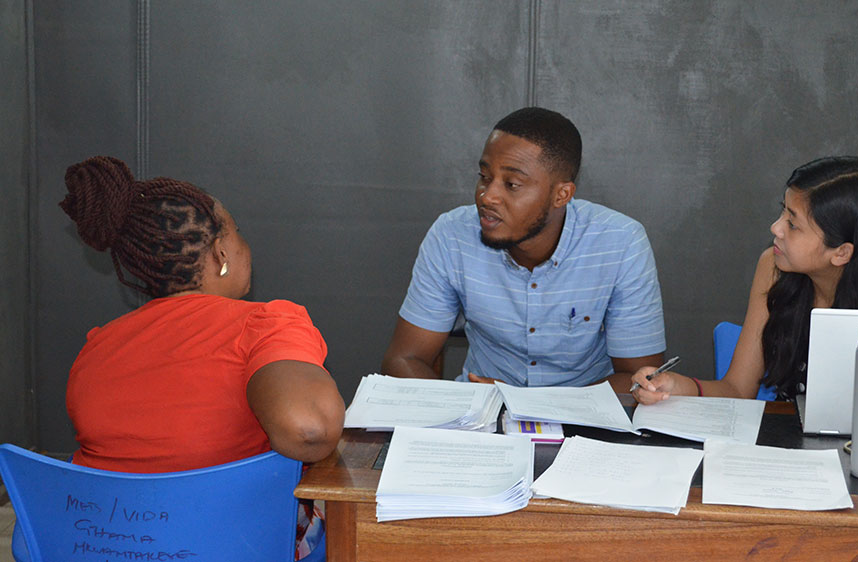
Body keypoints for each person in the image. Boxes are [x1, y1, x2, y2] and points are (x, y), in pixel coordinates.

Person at [60, 156, 344, 559]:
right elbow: (309, 431)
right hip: (236, 546)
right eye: (238, 233)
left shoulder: (95, 348)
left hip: (108, 548)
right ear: (221, 253)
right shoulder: (266, 323)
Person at [381, 107, 666, 391]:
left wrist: (531, 407)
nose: (487, 196)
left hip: (582, 422)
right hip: (480, 412)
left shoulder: (621, 244)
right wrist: (464, 408)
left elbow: (639, 380)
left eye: (512, 184)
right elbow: (404, 359)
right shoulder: (452, 235)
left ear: (561, 195)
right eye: (484, 176)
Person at [632, 156, 858, 402]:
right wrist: (677, 387)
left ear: (841, 252)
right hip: (786, 452)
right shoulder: (773, 269)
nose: (776, 228)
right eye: (782, 213)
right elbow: (737, 390)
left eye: (793, 223)